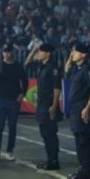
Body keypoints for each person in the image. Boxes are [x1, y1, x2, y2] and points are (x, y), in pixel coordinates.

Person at [0, 44, 28, 161]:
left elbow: (25, 81)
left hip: (14, 100)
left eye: (8, 52)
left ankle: (10, 151)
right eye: (4, 52)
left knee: (12, 127)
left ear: (12, 52)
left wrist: (22, 94)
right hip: (1, 99)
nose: (6, 54)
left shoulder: (18, 66)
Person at [27, 42, 62, 170]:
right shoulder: (41, 66)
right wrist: (34, 49)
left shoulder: (53, 68)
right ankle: (49, 159)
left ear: (48, 53)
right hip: (41, 104)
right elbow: (28, 63)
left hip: (49, 103)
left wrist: (54, 105)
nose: (39, 53)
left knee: (50, 133)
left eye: (41, 51)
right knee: (44, 133)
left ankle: (54, 160)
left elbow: (57, 88)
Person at [64, 41, 90, 179]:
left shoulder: (86, 70)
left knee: (83, 140)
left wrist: (87, 107)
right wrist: (71, 57)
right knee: (78, 139)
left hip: (82, 108)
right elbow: (66, 69)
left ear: (83, 54)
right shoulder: (77, 68)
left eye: (75, 51)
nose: (72, 54)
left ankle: (85, 170)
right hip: (75, 108)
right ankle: (82, 168)